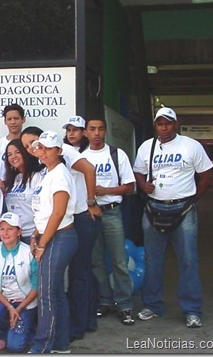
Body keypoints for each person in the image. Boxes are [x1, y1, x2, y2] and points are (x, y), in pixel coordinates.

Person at [133, 107, 213, 328]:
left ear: (175, 124)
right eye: (160, 123)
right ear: (155, 125)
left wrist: (193, 198)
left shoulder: (191, 146)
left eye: (168, 123)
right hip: (153, 209)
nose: (164, 127)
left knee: (188, 260)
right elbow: (138, 171)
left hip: (183, 210)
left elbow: (206, 174)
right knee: (152, 259)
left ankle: (192, 310)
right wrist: (142, 184)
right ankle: (152, 306)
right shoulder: (146, 147)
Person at [82, 117, 137, 327]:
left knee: (119, 261)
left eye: (101, 129)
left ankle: (124, 305)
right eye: (92, 129)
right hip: (90, 214)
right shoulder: (82, 157)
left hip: (112, 212)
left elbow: (130, 186)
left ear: (105, 132)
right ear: (86, 132)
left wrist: (107, 190)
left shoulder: (116, 154)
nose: (96, 133)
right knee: (96, 261)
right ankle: (104, 301)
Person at [28, 130, 78, 354]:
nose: (44, 152)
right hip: (51, 235)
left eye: (49, 148)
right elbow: (45, 211)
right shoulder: (48, 174)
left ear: (59, 150)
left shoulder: (59, 174)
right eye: (41, 148)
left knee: (46, 292)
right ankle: (60, 343)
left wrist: (41, 244)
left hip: (60, 236)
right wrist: (35, 235)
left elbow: (58, 213)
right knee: (55, 291)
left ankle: (43, 344)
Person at [61, 116, 106, 335]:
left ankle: (82, 322)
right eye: (68, 129)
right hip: (67, 218)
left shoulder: (67, 152)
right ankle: (85, 319)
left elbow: (89, 170)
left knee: (81, 270)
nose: (72, 133)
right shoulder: (56, 154)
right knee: (79, 271)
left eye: (77, 130)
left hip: (81, 216)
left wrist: (91, 202)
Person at [0, 212, 38, 352]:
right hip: (3, 300)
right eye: (2, 229)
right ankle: (0, 335)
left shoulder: (29, 252)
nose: (5, 233)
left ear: (19, 231)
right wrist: (9, 307)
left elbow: (36, 286)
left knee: (16, 347)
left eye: (10, 229)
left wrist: (18, 308)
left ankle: (27, 329)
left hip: (24, 301)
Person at [3, 138, 44, 244]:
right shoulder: (13, 179)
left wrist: (36, 235)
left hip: (34, 235)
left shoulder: (37, 177)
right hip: (15, 237)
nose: (13, 157)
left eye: (17, 152)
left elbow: (44, 209)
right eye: (9, 154)